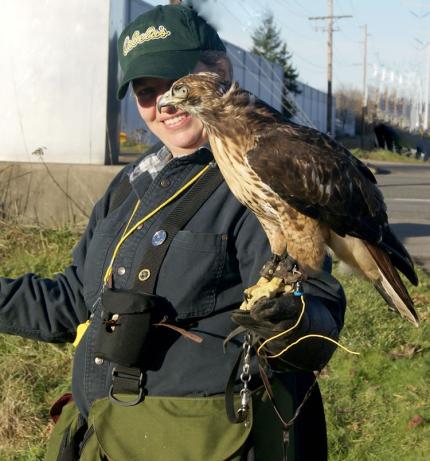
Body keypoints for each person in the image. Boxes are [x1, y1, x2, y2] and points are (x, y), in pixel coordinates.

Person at [0, 5, 346, 460]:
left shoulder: (260, 175)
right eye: (147, 91)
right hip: (105, 437)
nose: (165, 103)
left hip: (200, 442)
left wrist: (291, 319)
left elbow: (315, 296)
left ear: (220, 71)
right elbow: (73, 301)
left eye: (176, 82)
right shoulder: (132, 184)